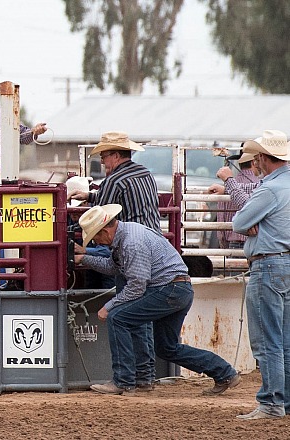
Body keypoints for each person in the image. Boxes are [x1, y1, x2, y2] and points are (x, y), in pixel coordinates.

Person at [74, 204, 241, 395]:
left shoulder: (131, 243)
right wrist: (84, 259)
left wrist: (109, 306)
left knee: (117, 318)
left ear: (104, 231)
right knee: (167, 347)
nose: (97, 242)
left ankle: (123, 381)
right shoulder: (129, 235)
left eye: (96, 237)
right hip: (178, 289)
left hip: (168, 289)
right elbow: (115, 267)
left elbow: (137, 285)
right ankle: (224, 372)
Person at [69, 131, 161, 390]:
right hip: (154, 246)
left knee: (125, 314)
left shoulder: (113, 181)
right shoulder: (145, 174)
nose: (103, 162)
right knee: (142, 315)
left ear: (117, 155)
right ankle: (146, 375)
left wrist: (83, 212)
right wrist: (90, 196)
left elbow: (101, 217)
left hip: (131, 248)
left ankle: (129, 377)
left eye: (105, 156)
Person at [230, 130, 290, 420]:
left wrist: (254, 221)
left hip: (268, 265)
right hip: (287, 264)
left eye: (257, 158)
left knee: (268, 340)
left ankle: (271, 402)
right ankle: (284, 400)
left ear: (265, 158)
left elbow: (240, 221)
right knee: (285, 339)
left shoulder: (269, 190)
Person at [215, 152, 260, 249]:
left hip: (233, 242)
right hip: (256, 241)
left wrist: (223, 242)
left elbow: (221, 217)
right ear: (253, 162)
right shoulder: (260, 185)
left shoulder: (227, 187)